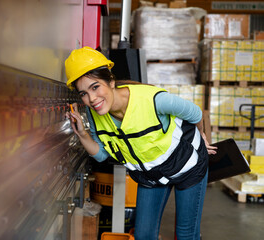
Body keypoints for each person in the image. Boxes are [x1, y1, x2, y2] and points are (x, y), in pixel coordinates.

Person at [64, 46, 217, 240]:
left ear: (110, 81)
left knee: (186, 234)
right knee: (144, 235)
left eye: (95, 87)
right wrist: (83, 134)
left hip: (187, 167)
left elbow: (195, 113)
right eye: (83, 93)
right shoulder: (95, 117)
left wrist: (202, 137)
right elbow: (102, 154)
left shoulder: (152, 100)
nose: (91, 99)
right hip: (151, 176)